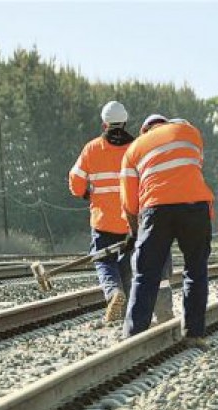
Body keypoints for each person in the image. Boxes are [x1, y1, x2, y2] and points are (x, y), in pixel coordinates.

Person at [120, 114, 214, 341]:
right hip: (195, 206)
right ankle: (194, 334)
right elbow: (194, 166)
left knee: (145, 275)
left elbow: (129, 202)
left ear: (145, 130)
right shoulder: (190, 133)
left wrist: (134, 231)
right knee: (196, 270)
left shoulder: (133, 149)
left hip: (156, 209)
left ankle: (134, 336)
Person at [69, 100, 135, 323]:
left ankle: (113, 293)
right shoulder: (136, 148)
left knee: (103, 261)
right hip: (130, 221)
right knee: (126, 264)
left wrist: (86, 194)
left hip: (103, 220)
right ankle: (126, 314)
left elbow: (76, 183)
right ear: (125, 122)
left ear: (104, 123)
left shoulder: (92, 148)